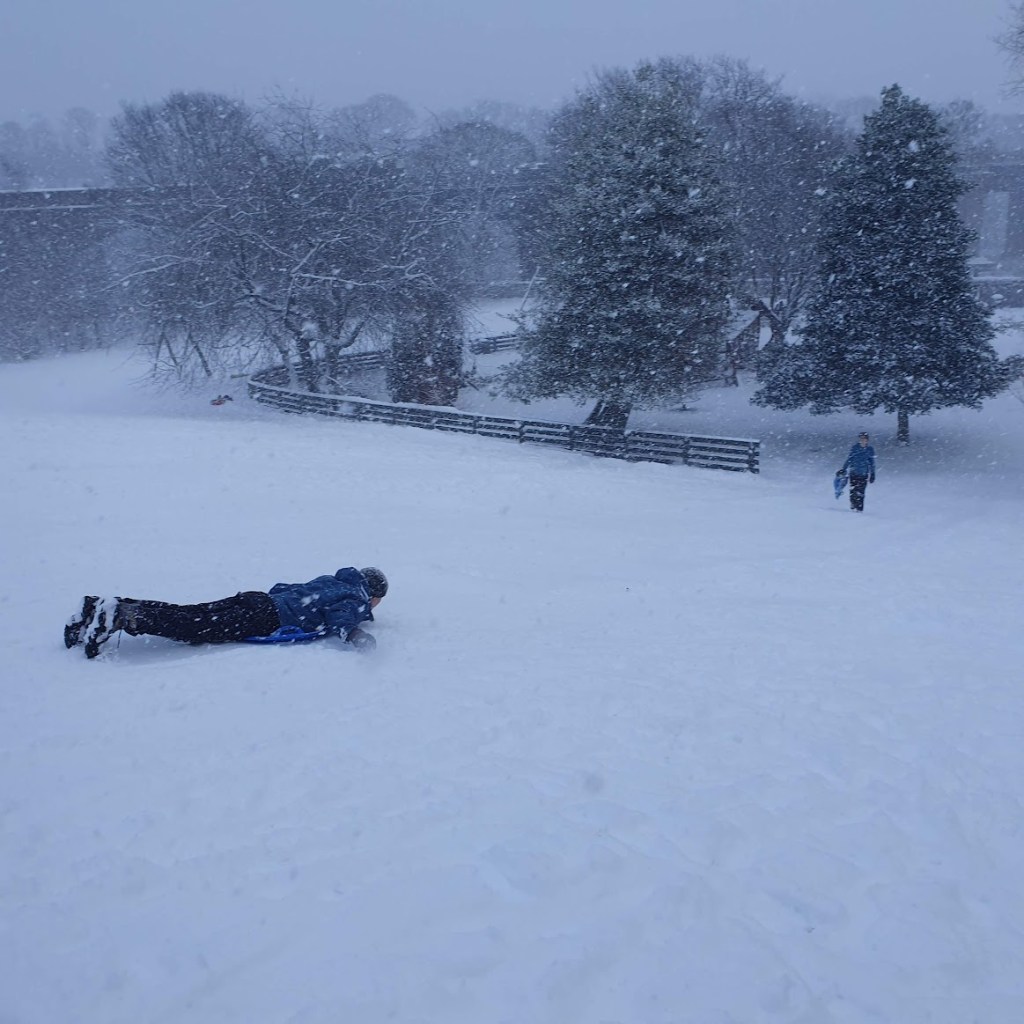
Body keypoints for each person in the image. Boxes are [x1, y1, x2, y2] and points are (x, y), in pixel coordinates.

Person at [65, 566, 388, 659]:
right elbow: (340, 620)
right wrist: (356, 635)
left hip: (256, 600)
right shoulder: (355, 599)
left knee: (189, 614)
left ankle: (102, 607)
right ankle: (120, 616)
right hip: (266, 617)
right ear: (373, 595)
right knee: (192, 627)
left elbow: (282, 586)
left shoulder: (331, 580)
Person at [838, 432, 876, 512]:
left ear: (867, 440)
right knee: (853, 490)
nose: (862, 440)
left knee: (861, 492)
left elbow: (872, 463)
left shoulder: (870, 449)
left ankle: (859, 509)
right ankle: (853, 505)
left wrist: (872, 474)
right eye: (861, 438)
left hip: (863, 474)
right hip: (854, 473)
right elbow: (850, 459)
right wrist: (844, 469)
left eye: (864, 439)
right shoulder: (855, 448)